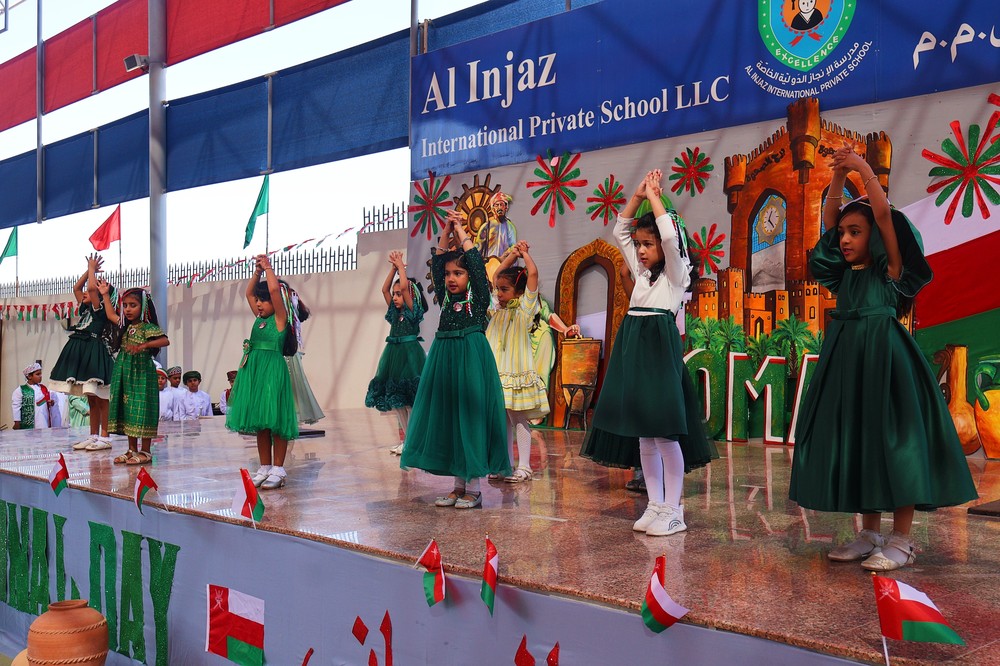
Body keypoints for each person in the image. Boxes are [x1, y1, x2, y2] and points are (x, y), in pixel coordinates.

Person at [789, 145, 978, 571]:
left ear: (873, 237)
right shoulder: (843, 277)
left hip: (886, 362)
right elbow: (829, 221)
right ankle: (870, 534)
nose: (844, 239)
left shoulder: (888, 271)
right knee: (862, 441)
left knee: (895, 442)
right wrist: (838, 177)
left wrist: (862, 168)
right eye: (843, 233)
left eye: (855, 232)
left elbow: (883, 216)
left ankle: (902, 540)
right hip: (849, 360)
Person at [581, 171, 717, 536]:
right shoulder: (643, 274)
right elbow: (620, 231)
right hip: (634, 348)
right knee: (644, 435)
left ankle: (673, 509)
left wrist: (656, 197)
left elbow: (670, 237)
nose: (640, 251)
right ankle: (655, 504)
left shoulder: (677, 273)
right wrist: (638, 195)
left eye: (647, 244)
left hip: (657, 351)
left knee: (664, 434)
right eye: (639, 245)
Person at [400, 210, 510, 508]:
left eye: (457, 273)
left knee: (469, 418)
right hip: (445, 358)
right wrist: (446, 231)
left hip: (470, 358)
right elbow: (437, 264)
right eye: (449, 274)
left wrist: (460, 229)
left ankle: (474, 488)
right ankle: (458, 486)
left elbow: (474, 261)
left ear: (470, 276)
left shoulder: (479, 297)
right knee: (452, 420)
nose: (450, 278)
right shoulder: (447, 297)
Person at [226, 255, 299, 490]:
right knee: (261, 423)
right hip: (255, 373)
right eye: (258, 300)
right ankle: (265, 466)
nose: (258, 303)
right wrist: (256, 272)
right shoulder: (259, 320)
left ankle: (278, 468)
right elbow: (248, 293)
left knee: (275, 421)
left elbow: (275, 291)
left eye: (263, 300)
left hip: (272, 373)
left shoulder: (280, 319)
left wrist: (268, 269)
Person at [487, 240, 550, 483]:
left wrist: (524, 254)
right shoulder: (497, 309)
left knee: (518, 418)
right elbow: (497, 276)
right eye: (498, 290)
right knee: (502, 418)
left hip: (516, 371)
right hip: (498, 372)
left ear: (519, 292)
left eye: (504, 290)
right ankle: (505, 464)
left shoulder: (525, 308)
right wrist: (512, 255)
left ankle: (524, 466)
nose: (499, 294)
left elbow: (532, 273)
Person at [49, 254, 115, 450]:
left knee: (102, 398)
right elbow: (77, 288)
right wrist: (88, 271)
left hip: (95, 353)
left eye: (92, 290)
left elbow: (92, 289)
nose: (87, 291)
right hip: (84, 353)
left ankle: (105, 436)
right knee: (91, 397)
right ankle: (93, 435)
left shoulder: (99, 309)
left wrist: (92, 268)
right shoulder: (86, 308)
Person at [365, 250, 427, 455]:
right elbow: (384, 289)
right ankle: (407, 440)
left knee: (410, 402)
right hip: (394, 356)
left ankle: (414, 441)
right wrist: (393, 269)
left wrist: (401, 267)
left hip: (410, 357)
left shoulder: (412, 312)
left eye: (399, 294)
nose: (395, 297)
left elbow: (406, 289)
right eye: (395, 294)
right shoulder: (395, 313)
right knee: (399, 403)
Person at [101, 283, 169, 465]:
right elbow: (110, 314)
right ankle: (132, 450)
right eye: (125, 305)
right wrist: (105, 295)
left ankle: (145, 451)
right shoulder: (125, 326)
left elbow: (165, 341)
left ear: (143, 306)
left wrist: (144, 345)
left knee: (143, 409)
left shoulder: (148, 327)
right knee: (128, 409)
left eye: (133, 305)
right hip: (124, 373)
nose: (128, 309)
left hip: (142, 375)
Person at [283, 287, 325, 425]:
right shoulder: (288, 313)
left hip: (287, 353)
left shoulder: (289, 313)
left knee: (292, 386)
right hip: (288, 353)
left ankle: (290, 415)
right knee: (293, 386)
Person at [11, 362, 53, 429]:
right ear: (29, 376)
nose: (40, 376)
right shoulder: (21, 390)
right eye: (37, 374)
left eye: (40, 374)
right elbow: (16, 407)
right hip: (28, 425)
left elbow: (45, 402)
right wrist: (17, 422)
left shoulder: (43, 388)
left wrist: (50, 403)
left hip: (44, 421)